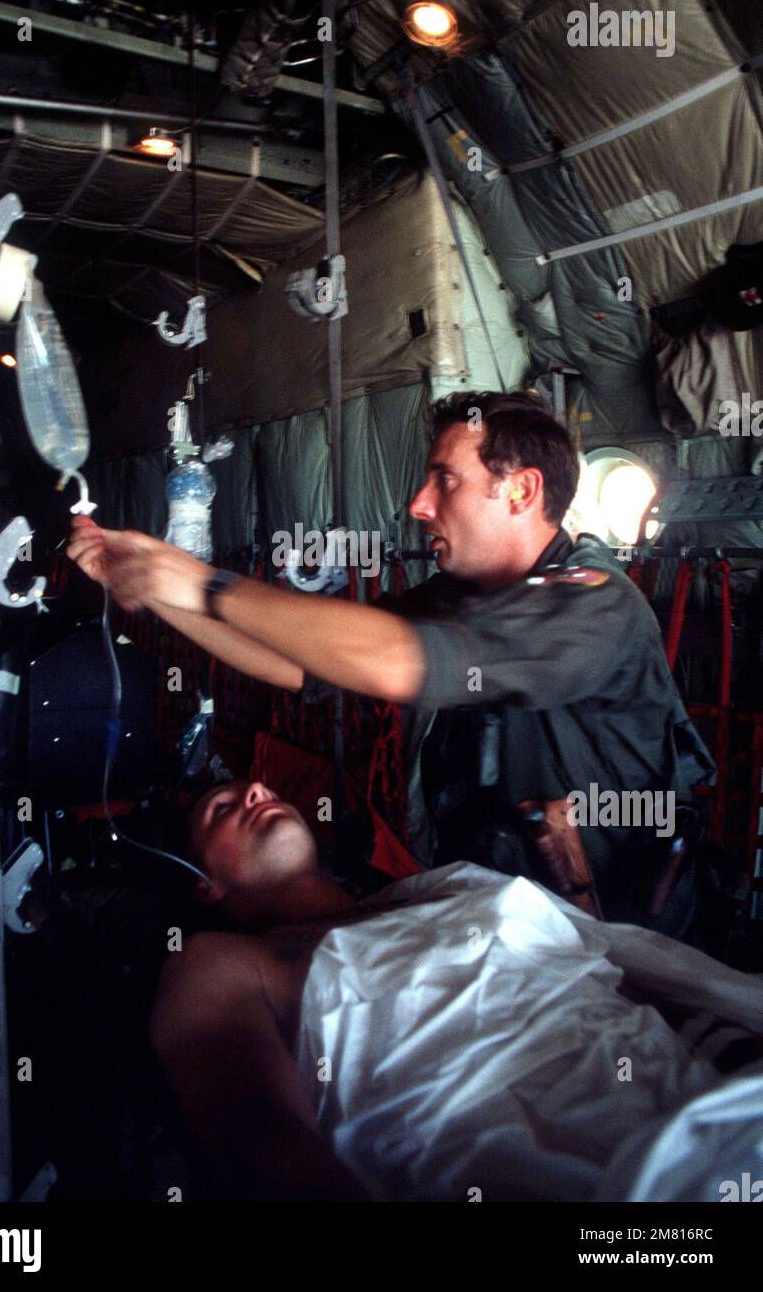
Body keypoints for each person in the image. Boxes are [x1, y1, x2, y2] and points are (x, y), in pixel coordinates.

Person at [68, 390, 714, 936]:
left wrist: (204, 584)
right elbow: (297, 664)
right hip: (506, 924)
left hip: (620, 937)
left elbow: (398, 660)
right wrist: (157, 590)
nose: (418, 505)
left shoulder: (590, 604)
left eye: (445, 480)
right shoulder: (460, 597)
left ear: (519, 490)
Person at [149, 778, 763, 1203]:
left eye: (259, 789)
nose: (256, 791)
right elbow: (253, 1133)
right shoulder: (228, 962)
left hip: (708, 1101)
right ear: (206, 886)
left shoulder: (446, 892)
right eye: (222, 808)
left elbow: (605, 962)